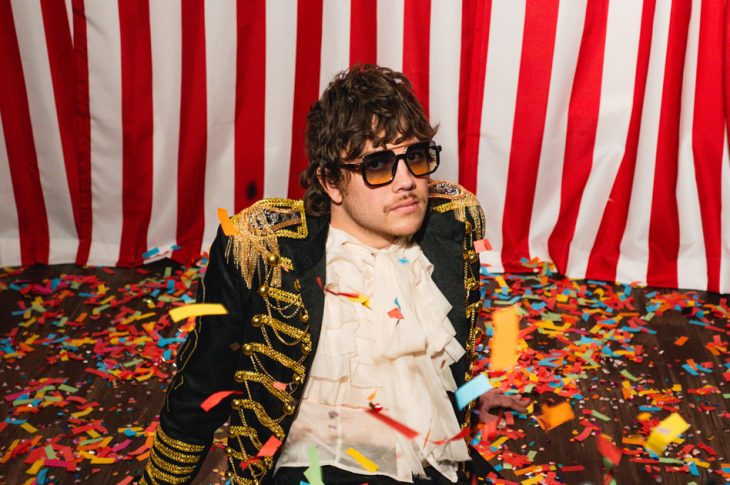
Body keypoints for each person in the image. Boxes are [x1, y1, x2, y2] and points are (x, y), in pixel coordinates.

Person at [142, 64, 528, 485]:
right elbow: (200, 392)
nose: (407, 182)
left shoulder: (453, 226)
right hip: (311, 467)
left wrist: (476, 395)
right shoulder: (261, 250)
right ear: (331, 182)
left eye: (415, 157)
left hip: (429, 465)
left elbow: (434, 363)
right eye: (378, 165)